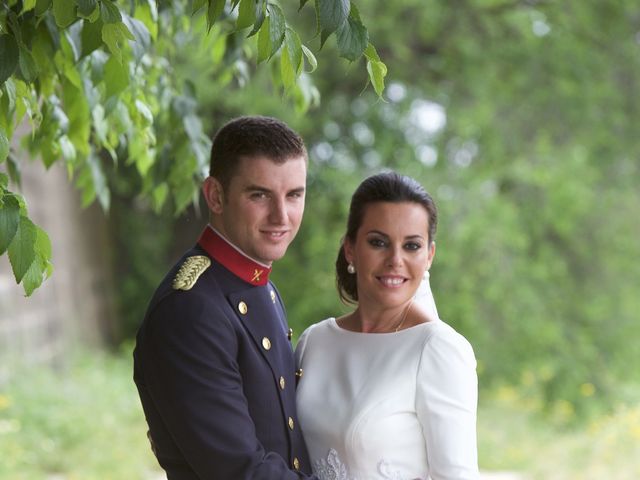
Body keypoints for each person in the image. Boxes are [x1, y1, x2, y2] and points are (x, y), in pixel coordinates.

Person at [133, 116, 318, 479]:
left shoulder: (258, 285)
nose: (282, 216)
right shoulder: (191, 309)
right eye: (259, 195)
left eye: (294, 195)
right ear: (216, 196)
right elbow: (239, 471)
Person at [295, 172, 479, 480]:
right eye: (379, 242)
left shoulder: (437, 349)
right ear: (350, 248)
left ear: (430, 255)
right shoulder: (314, 341)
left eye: (411, 246)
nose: (395, 260)